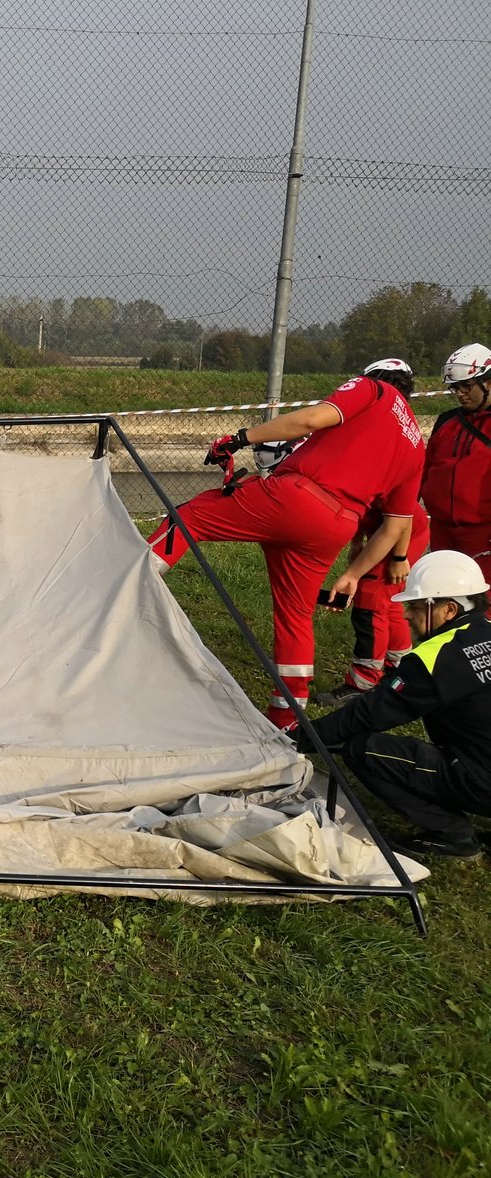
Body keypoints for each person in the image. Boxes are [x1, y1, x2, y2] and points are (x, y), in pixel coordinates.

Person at [147, 358, 425, 729]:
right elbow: (395, 526)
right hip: (338, 525)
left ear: (373, 376)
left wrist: (238, 438)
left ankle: (130, 579)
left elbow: (311, 420)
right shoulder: (416, 445)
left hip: (300, 497)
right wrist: (353, 576)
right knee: (295, 616)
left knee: (189, 516)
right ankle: (287, 719)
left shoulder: (370, 390)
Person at [297, 550, 491, 860]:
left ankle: (453, 836)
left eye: (415, 606)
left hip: (482, 781)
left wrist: (299, 738)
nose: (407, 616)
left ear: (449, 610)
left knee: (363, 750)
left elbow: (370, 713)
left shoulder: (435, 659)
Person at [316, 495, 430, 707]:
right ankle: (399, 668)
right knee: (388, 600)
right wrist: (357, 541)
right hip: (388, 527)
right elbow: (359, 504)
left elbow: (402, 515)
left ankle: (363, 683)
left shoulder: (378, 472)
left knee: (370, 600)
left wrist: (399, 557)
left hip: (403, 531)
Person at [421, 343, 491, 584]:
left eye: (467, 386)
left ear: (488, 382)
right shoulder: (447, 421)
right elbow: (425, 470)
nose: (461, 393)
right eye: (455, 388)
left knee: (483, 605)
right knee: (441, 598)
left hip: (483, 534)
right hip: (441, 530)